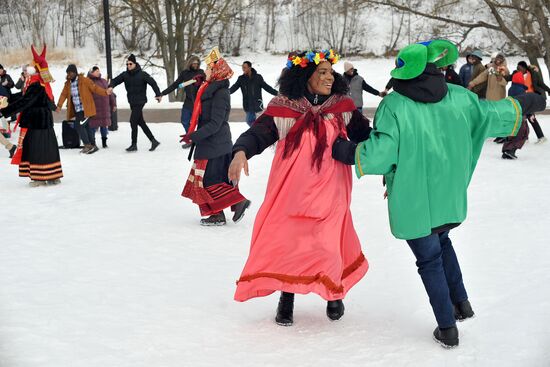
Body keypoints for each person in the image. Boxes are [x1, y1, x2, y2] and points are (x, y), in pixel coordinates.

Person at [331, 40, 546, 348]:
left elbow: (381, 154)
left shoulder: (395, 105)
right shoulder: (460, 98)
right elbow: (491, 114)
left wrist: (349, 151)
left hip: (413, 199)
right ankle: (460, 303)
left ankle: (447, 327)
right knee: (442, 241)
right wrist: (526, 103)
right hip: (448, 195)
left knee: (429, 258)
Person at [229, 49, 370, 326]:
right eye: (323, 72)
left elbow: (368, 137)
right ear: (306, 75)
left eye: (332, 72)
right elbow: (259, 133)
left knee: (328, 242)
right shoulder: (285, 106)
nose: (330, 76)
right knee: (289, 242)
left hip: (331, 190)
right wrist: (241, 151)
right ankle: (287, 297)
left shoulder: (342, 108)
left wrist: (391, 159)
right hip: (291, 191)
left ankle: (333, 293)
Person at [180, 48, 250, 226]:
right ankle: (222, 210)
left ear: (217, 71)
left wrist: (193, 136)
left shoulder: (221, 93)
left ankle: (231, 205)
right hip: (210, 143)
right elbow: (201, 107)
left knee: (208, 181)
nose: (205, 72)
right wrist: (200, 84)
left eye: (208, 69)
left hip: (216, 143)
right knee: (212, 179)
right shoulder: (209, 88)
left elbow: (216, 123)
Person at [0, 46, 64, 187]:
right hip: (44, 123)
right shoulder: (41, 84)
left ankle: (40, 177)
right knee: (48, 148)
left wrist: (5, 112)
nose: (27, 68)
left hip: (36, 123)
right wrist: (9, 100)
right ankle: (53, 176)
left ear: (35, 70)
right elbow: (25, 97)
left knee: (37, 149)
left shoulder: (36, 86)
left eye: (30, 65)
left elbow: (25, 102)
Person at [107, 54, 161, 152]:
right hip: (132, 101)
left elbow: (153, 83)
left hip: (140, 101)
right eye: (127, 64)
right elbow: (115, 80)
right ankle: (153, 141)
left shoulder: (142, 74)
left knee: (133, 121)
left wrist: (158, 94)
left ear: (135, 64)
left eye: (130, 64)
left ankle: (134, 144)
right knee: (140, 122)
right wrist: (111, 86)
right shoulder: (125, 75)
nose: (128, 66)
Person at [57, 64, 111, 154]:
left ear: (75, 73)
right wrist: (59, 105)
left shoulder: (84, 81)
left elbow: (95, 88)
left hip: (86, 109)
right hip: (78, 110)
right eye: (67, 73)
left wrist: (105, 92)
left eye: (70, 72)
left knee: (79, 126)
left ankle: (87, 145)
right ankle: (93, 145)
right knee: (87, 127)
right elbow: (63, 94)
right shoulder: (68, 84)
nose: (69, 74)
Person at [159, 55, 205, 148]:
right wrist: (162, 93)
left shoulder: (201, 72)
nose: (195, 65)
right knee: (184, 120)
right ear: (190, 63)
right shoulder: (185, 73)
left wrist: (202, 80)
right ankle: (191, 139)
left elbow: (207, 83)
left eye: (197, 63)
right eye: (193, 63)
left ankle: (198, 140)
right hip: (188, 102)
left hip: (199, 102)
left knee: (200, 122)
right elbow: (176, 84)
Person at [229, 61, 278, 126]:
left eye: (245, 67)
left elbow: (267, 87)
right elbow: (234, 88)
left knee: (259, 123)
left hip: (258, 105)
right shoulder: (241, 79)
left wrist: (277, 93)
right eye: (242, 67)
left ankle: (257, 133)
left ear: (249, 67)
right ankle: (257, 133)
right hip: (248, 106)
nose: (243, 69)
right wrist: (225, 93)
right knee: (249, 121)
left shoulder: (258, 77)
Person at [517, 61, 550, 144]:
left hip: (532, 99)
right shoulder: (518, 74)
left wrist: (548, 90)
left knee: (531, 117)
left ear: (524, 68)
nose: (518, 69)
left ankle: (541, 137)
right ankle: (526, 137)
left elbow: (540, 83)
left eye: (520, 68)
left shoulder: (532, 74)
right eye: (518, 68)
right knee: (524, 117)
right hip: (523, 98)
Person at [87, 66, 116, 148]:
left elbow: (110, 94)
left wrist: (113, 104)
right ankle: (93, 142)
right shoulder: (88, 82)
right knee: (92, 126)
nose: (98, 72)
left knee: (104, 125)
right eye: (96, 71)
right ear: (91, 73)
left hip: (104, 107)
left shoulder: (104, 81)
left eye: (98, 71)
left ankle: (104, 142)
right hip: (94, 108)